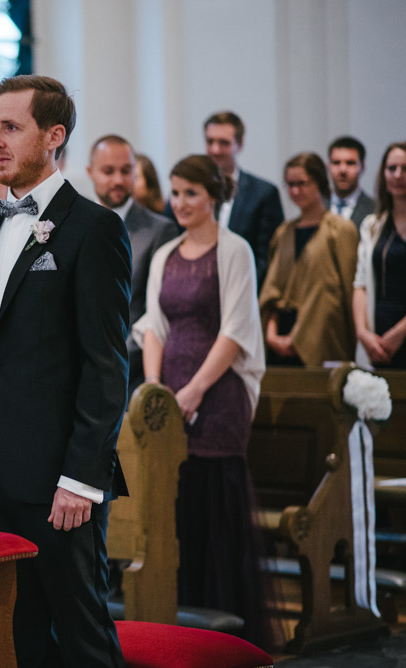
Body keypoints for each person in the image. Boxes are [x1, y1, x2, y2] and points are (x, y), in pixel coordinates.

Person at [0, 74, 130, 667]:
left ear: (54, 136)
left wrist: (81, 479)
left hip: (57, 482)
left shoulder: (93, 229)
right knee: (11, 636)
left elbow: (105, 365)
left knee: (82, 629)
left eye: (10, 127)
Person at [135, 154, 272, 646]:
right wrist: (156, 389)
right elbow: (154, 325)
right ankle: (182, 625)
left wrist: (193, 391)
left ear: (213, 196)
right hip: (170, 394)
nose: (181, 202)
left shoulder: (234, 250)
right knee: (178, 507)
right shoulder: (165, 253)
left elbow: (236, 330)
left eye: (191, 193)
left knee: (215, 507)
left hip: (218, 397)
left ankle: (227, 631)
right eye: (175, 192)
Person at [87, 135, 178, 391]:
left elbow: (158, 309)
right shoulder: (74, 224)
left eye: (126, 171)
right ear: (90, 172)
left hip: (132, 369)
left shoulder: (160, 230)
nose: (118, 180)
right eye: (108, 171)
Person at [260, 153, 358, 366]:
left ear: (319, 182)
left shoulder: (339, 229)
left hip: (320, 340)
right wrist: (271, 334)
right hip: (280, 337)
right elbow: (273, 289)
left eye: (302, 183)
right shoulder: (284, 232)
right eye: (290, 184)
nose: (295, 191)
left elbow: (346, 291)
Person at [166, 111, 284, 288]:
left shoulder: (263, 193)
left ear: (240, 144)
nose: (215, 150)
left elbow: (268, 259)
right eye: (210, 142)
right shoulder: (182, 194)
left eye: (224, 143)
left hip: (246, 288)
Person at [354, 142, 406, 369]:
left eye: (405, 169)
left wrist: (400, 333)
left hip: (399, 333)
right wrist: (363, 333)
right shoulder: (372, 225)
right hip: (378, 338)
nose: (398, 175)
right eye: (391, 168)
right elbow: (360, 284)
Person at [329, 136, 375, 228]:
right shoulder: (317, 207)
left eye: (350, 163)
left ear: (362, 167)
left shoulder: (375, 209)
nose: (342, 170)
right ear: (328, 166)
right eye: (336, 162)